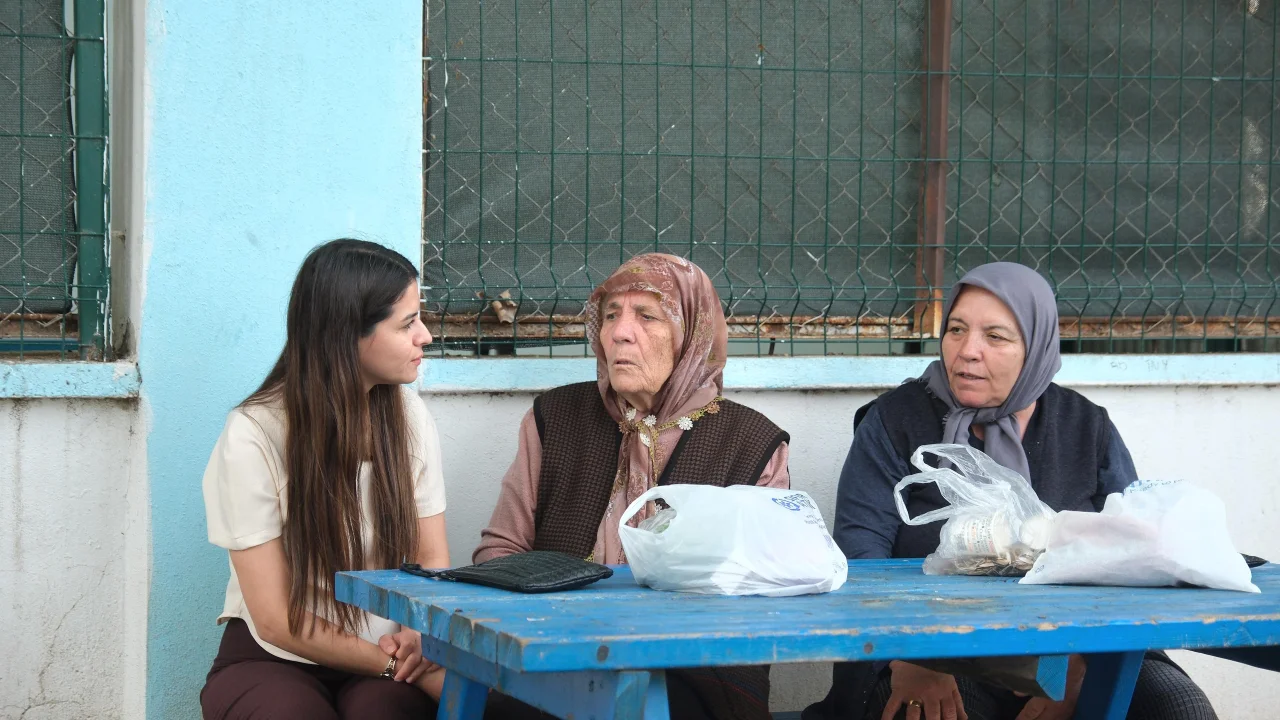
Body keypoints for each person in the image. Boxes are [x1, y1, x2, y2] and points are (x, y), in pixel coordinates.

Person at [806, 262, 1216, 720]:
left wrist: (1080, 670)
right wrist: (911, 656)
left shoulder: (1086, 427)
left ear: (1035, 347)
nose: (967, 351)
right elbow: (860, 556)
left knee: (1181, 709)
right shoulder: (895, 421)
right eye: (956, 330)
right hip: (935, 649)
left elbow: (1134, 554)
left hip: (1080, 645)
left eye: (995, 337)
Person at [475, 252, 790, 720]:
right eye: (609, 316)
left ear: (692, 335)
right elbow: (499, 552)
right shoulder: (554, 419)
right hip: (557, 659)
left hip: (693, 671)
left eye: (647, 316)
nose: (620, 332)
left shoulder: (753, 443)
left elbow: (766, 588)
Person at [200, 239, 450, 719]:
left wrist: (419, 636)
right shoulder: (253, 434)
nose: (426, 336)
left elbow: (431, 556)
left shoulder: (408, 416)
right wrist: (384, 662)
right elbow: (274, 619)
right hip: (274, 655)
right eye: (407, 323)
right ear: (347, 336)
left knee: (384, 713)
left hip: (390, 649)